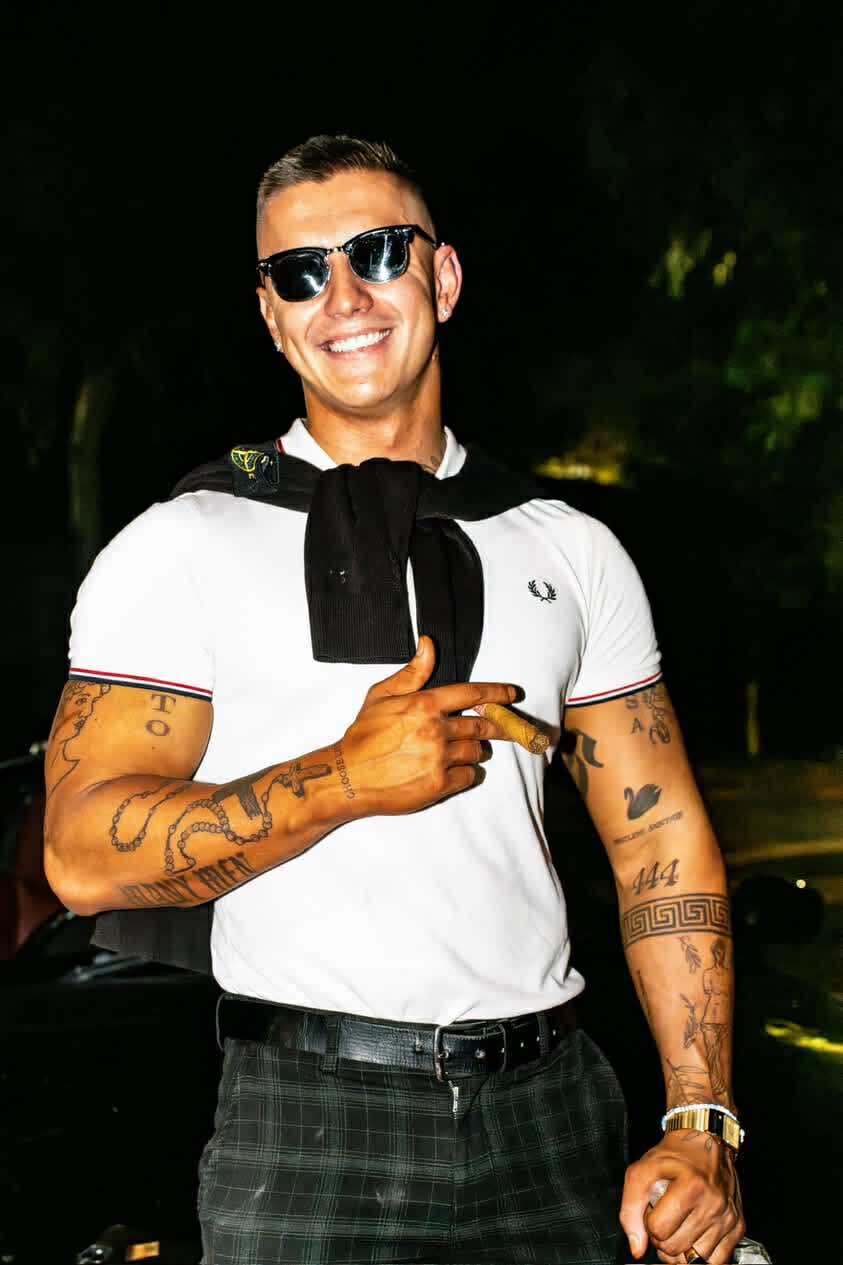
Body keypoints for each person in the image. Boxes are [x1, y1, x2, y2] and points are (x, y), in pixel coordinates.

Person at [45, 135, 746, 1265]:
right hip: (309, 1125)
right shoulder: (182, 543)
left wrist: (699, 1117)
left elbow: (659, 838)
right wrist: (343, 778)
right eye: (299, 272)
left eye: (376, 252)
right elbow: (80, 853)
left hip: (552, 1113)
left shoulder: (569, 547)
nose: (343, 297)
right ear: (271, 316)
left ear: (443, 277)